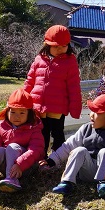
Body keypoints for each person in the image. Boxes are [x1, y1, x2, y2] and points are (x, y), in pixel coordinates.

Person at [39, 93, 105, 198]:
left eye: (96, 112)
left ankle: (103, 184)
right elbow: (68, 146)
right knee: (79, 150)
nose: (91, 114)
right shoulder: (86, 128)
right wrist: (52, 160)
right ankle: (66, 182)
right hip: (87, 170)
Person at [24, 24, 82, 155]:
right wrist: (23, 98)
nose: (60, 49)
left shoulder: (70, 61)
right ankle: (41, 157)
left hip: (57, 107)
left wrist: (75, 107)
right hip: (37, 106)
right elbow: (30, 80)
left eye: (64, 46)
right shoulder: (39, 59)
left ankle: (58, 158)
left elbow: (74, 86)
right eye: (56, 46)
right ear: (47, 45)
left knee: (57, 134)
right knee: (40, 134)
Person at [0, 88, 45, 193]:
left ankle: (12, 180)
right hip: (9, 165)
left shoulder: (34, 128)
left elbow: (36, 150)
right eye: (13, 112)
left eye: (22, 113)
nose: (17, 116)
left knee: (12, 147)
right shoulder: (3, 126)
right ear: (7, 112)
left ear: (29, 114)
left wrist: (19, 164)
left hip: (25, 167)